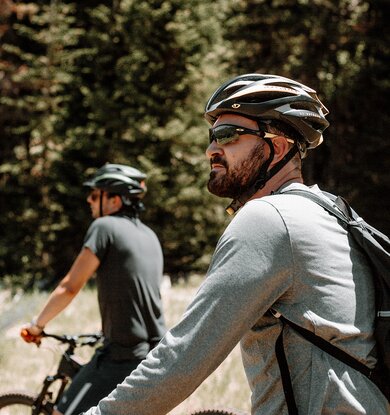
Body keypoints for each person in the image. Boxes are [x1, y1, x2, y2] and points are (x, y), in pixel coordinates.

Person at [81, 75, 390, 415]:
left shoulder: (270, 218)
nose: (211, 149)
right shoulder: (331, 210)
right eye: (212, 137)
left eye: (227, 135)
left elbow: (184, 357)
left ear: (278, 146)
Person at [21, 163, 166, 415]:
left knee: (61, 413)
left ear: (114, 199)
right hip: (156, 352)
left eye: (96, 194)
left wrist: (37, 326)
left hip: (122, 356)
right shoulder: (150, 235)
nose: (89, 200)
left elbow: (69, 287)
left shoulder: (104, 227)